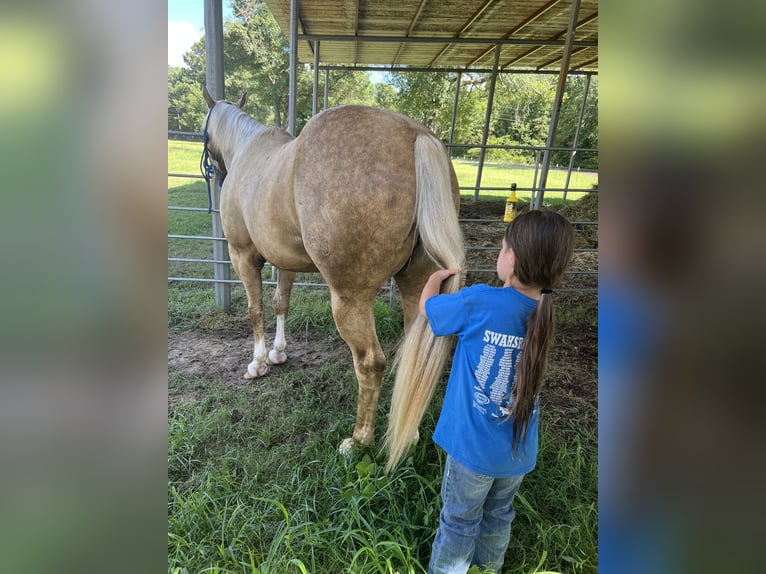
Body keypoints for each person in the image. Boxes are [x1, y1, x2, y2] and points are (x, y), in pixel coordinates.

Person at [421, 209, 575, 574]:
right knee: (499, 516)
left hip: (472, 450)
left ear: (513, 259)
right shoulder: (545, 311)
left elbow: (430, 312)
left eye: (502, 246)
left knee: (459, 522)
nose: (499, 252)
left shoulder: (480, 301)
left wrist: (433, 279)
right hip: (517, 451)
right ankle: (487, 569)